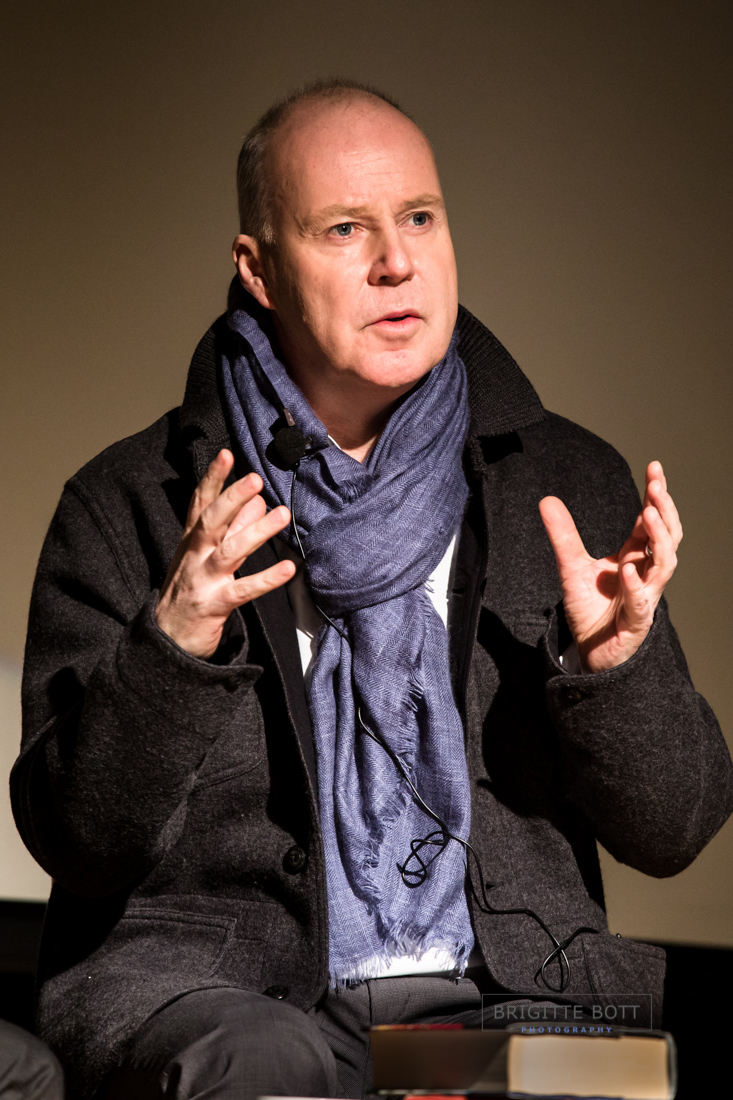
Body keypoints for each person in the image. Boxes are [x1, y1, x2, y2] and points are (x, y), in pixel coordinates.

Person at [11, 79, 733, 1100]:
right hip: (228, 994)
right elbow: (77, 842)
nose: (397, 261)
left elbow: (676, 830)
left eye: (420, 218)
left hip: (491, 1000)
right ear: (258, 268)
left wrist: (615, 668)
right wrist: (172, 643)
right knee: (270, 1065)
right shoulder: (135, 500)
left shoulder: (563, 478)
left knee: (595, 1074)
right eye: (345, 228)